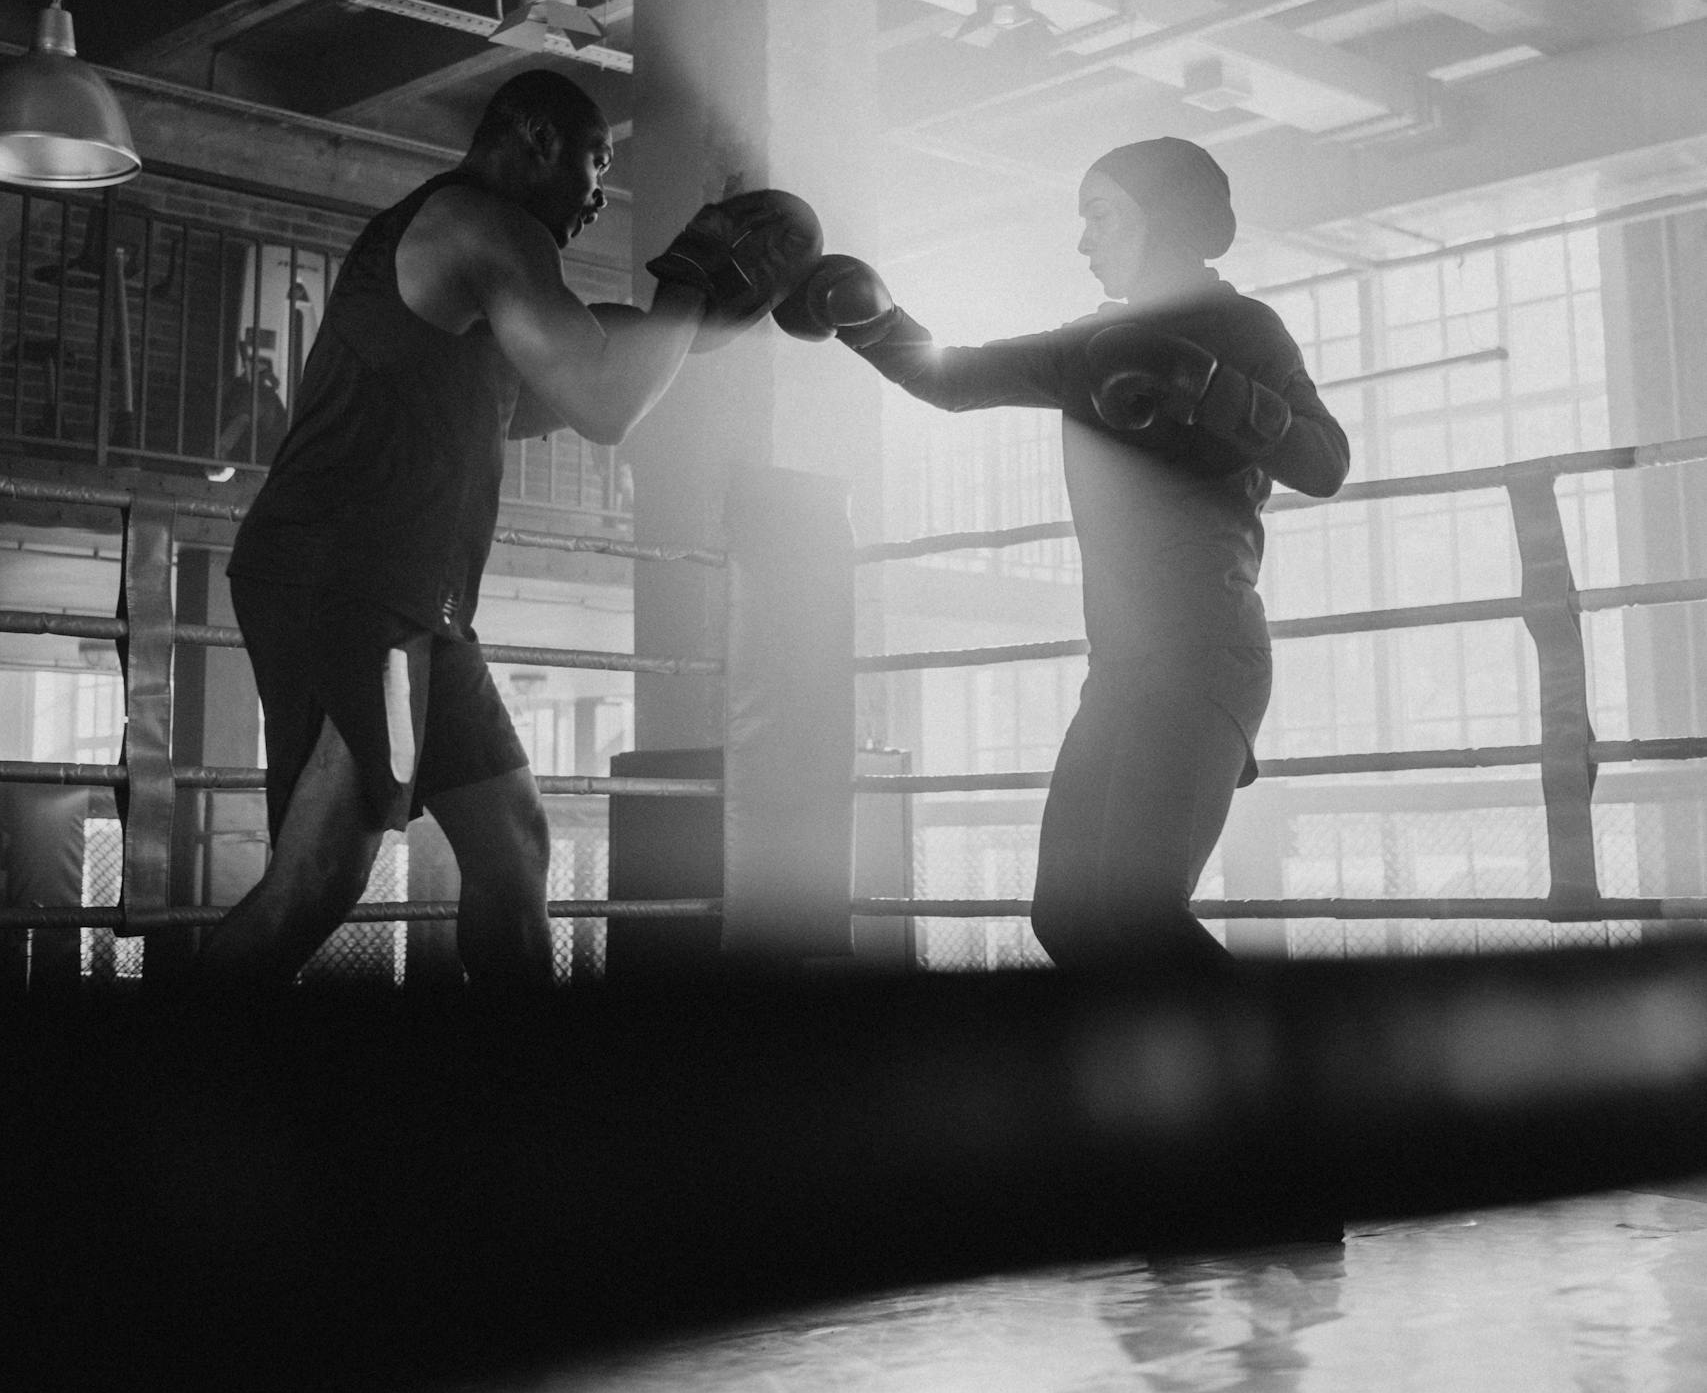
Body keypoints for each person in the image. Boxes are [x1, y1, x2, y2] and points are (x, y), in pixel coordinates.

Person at [199, 68, 821, 988]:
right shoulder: (479, 225)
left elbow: (609, 359)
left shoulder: (483, 288)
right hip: (353, 587)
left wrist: (726, 301)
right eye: (595, 161)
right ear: (535, 138)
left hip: (415, 605)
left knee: (513, 851)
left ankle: (519, 1098)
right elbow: (609, 400)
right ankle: (133, 1096)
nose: (599, 195)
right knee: (318, 884)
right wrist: (693, 274)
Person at [776, 136, 1349, 969]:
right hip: (1121, 668)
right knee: (1069, 916)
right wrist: (865, 317)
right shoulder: (1092, 346)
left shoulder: (1245, 327)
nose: (1084, 241)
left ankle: (1303, 1080)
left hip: (1204, 654)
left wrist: (1213, 389)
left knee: (1138, 913)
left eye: (1100, 215)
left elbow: (1325, 463)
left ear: (1163, 217)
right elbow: (954, 379)